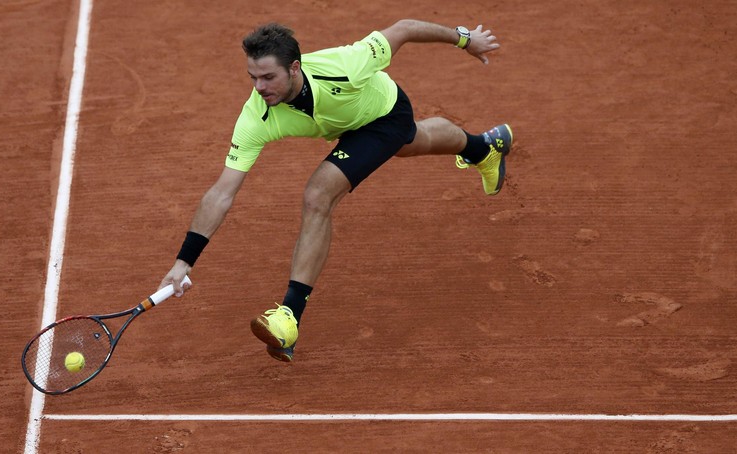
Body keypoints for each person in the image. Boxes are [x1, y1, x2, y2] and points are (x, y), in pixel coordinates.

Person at [159, 19, 512, 362]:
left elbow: (403, 28)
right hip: (351, 124)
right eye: (252, 77)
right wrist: (183, 261)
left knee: (318, 194)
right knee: (411, 143)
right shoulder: (256, 116)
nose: (259, 87)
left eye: (268, 77)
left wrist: (465, 39)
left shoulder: (345, 65)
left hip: (384, 113)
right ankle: (483, 147)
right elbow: (222, 192)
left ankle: (289, 317)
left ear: (294, 68)